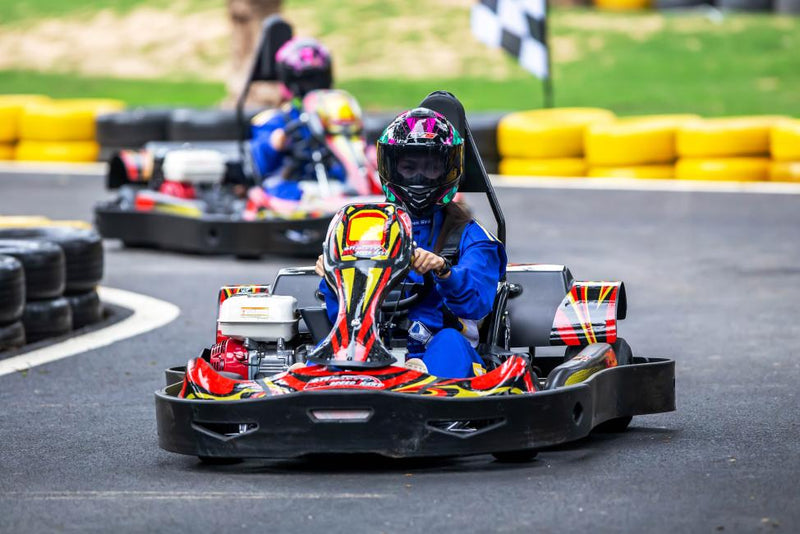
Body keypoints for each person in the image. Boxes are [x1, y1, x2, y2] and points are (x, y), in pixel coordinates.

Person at [314, 108, 507, 378]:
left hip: (437, 351)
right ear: (390, 167)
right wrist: (335, 277)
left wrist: (444, 271)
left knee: (450, 341)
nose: (419, 178)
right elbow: (337, 315)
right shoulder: (366, 229)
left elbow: (476, 304)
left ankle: (426, 392)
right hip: (365, 346)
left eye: (431, 168)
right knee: (315, 356)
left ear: (449, 170)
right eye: (409, 167)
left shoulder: (470, 236)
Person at [247, 37, 345, 215]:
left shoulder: (338, 115)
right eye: (306, 80)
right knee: (273, 192)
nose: (313, 85)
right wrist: (276, 142)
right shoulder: (276, 120)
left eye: (317, 78)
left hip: (335, 184)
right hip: (292, 186)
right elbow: (259, 163)